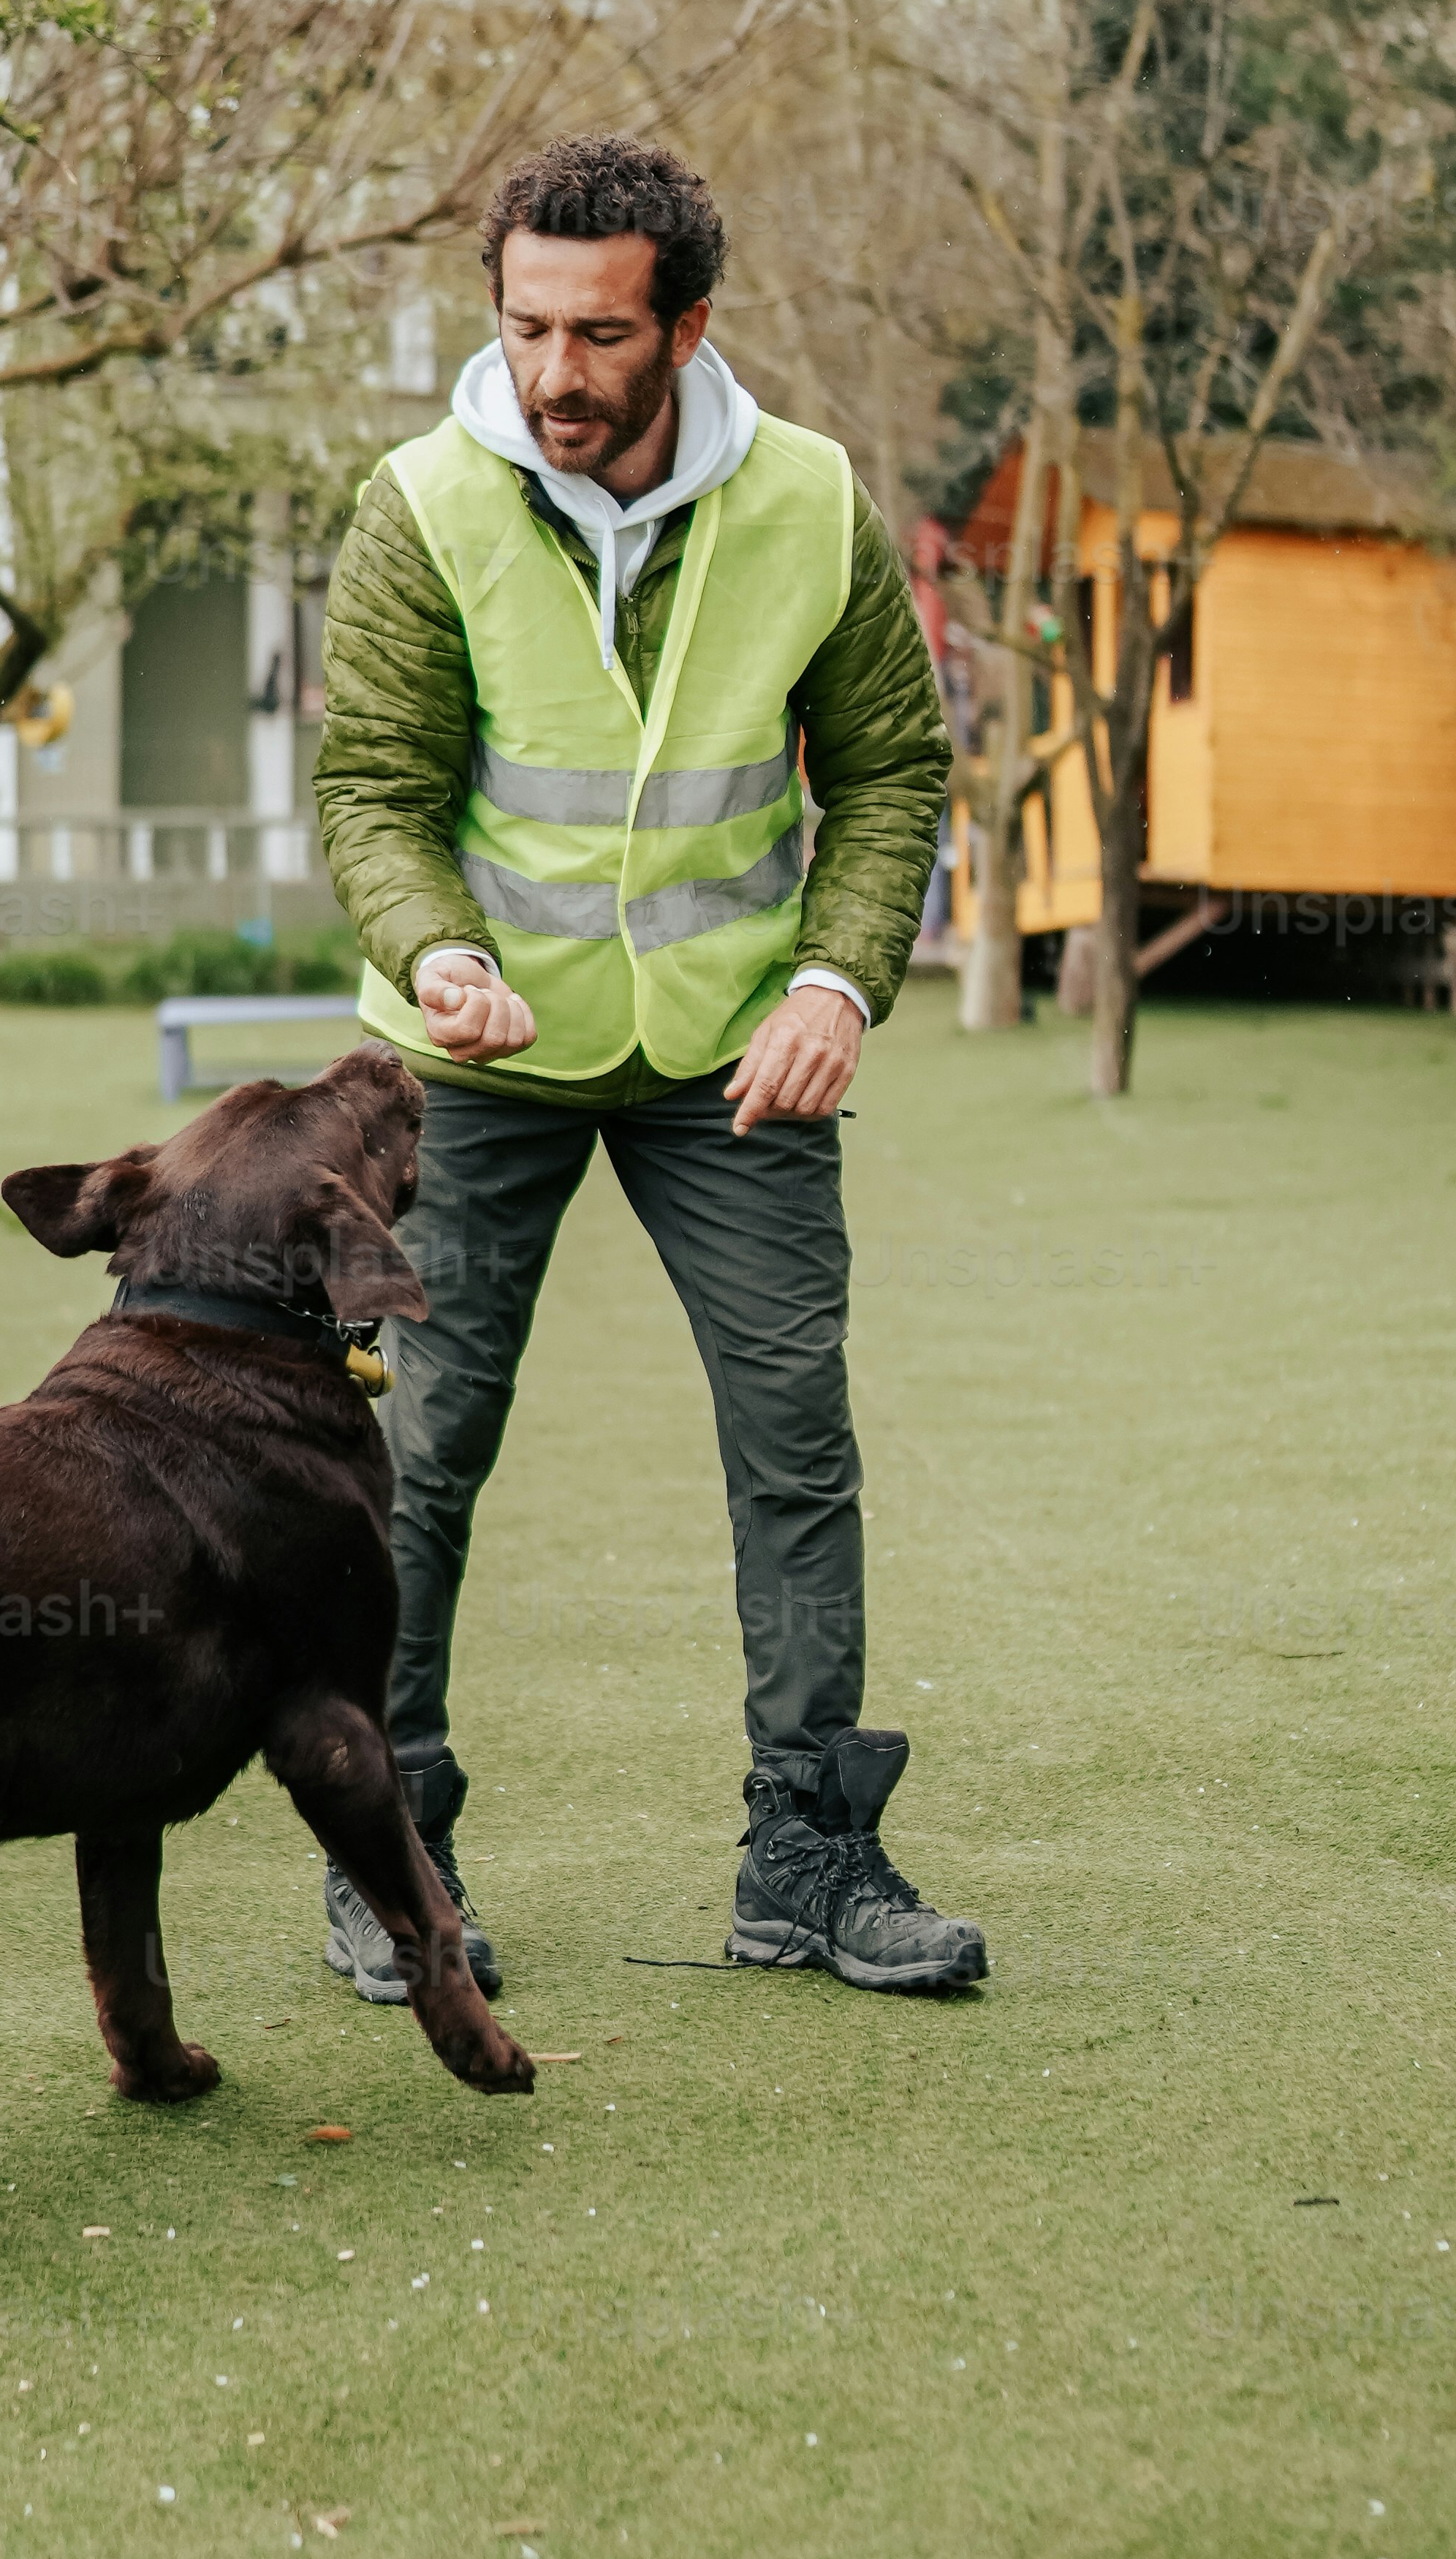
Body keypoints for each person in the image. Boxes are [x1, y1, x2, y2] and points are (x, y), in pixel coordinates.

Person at [311, 129, 986, 2000]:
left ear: (685, 324)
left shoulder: (812, 504)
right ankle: (394, 1863)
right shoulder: (422, 502)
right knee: (416, 1457)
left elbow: (887, 775)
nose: (554, 374)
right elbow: (372, 786)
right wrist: (436, 948)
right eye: (526, 327)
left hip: (734, 1060)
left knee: (796, 1449)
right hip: (471, 1048)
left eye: (598, 334)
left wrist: (840, 982)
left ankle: (811, 1858)